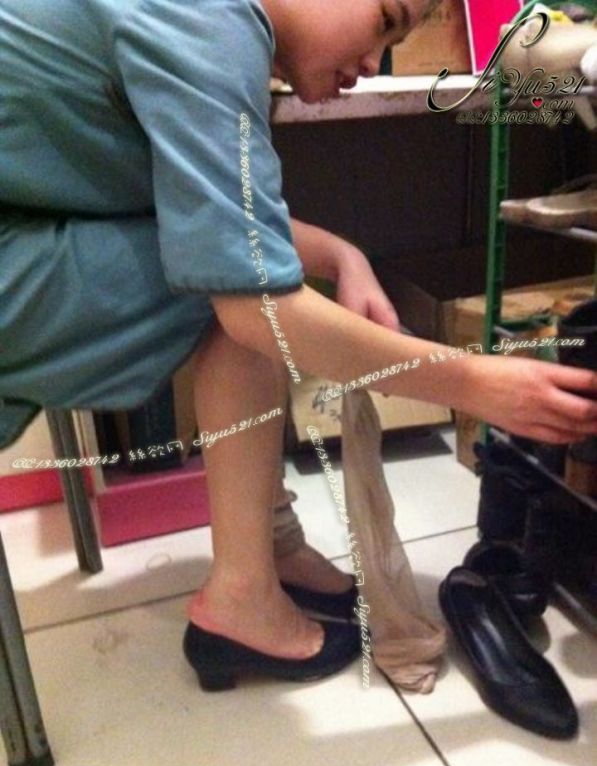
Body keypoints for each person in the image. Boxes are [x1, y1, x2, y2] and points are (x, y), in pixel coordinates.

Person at [1, 0, 597, 689]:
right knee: (236, 295)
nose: (374, 62)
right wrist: (471, 382)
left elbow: (209, 217)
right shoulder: (210, 25)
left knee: (236, 277)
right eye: (384, 20)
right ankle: (242, 597)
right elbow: (253, 298)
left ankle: (267, 550)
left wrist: (342, 255)